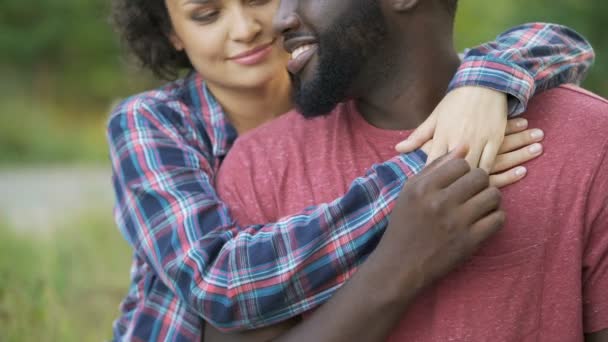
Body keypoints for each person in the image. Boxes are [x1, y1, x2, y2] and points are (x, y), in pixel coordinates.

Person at [108, 0, 594, 340]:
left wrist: (486, 85)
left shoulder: (332, 72)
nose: (246, 28)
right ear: (172, 32)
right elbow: (220, 282)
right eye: (206, 14)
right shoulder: (153, 123)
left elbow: (560, 42)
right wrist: (441, 160)